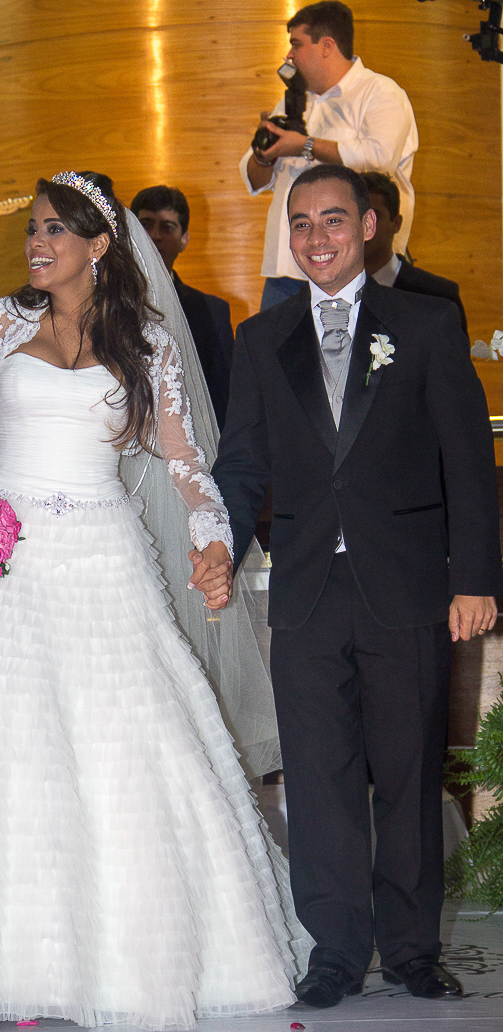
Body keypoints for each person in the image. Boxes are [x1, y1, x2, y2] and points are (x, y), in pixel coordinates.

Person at [0, 171, 308, 1031]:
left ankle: (111, 975)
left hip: (105, 561)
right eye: (33, 228)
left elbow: (186, 462)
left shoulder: (146, 340)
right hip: (2, 560)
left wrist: (212, 541)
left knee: (121, 759)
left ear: (99, 246)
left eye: (54, 231)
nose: (36, 243)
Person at [199, 164, 502, 1008]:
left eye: (333, 219)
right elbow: (243, 463)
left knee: (408, 773)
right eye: (300, 223)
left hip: (407, 584)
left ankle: (411, 950)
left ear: (368, 226)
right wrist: (218, 542)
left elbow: (467, 460)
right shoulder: (264, 338)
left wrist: (475, 577)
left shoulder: (427, 323)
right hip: (304, 589)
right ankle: (333, 951)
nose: (316, 237)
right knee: (318, 775)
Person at [239, 0, 418, 311]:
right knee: (270, 344)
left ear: (327, 46)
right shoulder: (294, 102)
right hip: (287, 271)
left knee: (358, 344)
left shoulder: (379, 92)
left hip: (356, 269)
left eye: (296, 44)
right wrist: (264, 155)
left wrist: (304, 146)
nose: (289, 55)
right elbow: (253, 181)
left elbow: (379, 160)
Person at [130, 185, 234, 427]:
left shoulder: (212, 312)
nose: (155, 235)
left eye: (167, 227)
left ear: (184, 239)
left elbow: (224, 400)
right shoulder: (101, 303)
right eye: (145, 224)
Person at [361, 171, 467, 333]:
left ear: (396, 224)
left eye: (373, 217)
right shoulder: (327, 291)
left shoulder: (437, 296)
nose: (363, 227)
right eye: (355, 217)